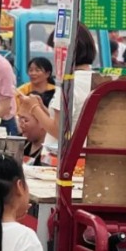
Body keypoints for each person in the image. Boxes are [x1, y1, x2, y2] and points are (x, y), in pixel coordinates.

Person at [16, 23, 96, 164]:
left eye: (56, 50)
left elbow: (60, 131)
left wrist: (34, 108)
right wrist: (43, 110)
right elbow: (70, 121)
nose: (55, 55)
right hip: (86, 158)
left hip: (62, 161)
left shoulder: (69, 84)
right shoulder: (95, 79)